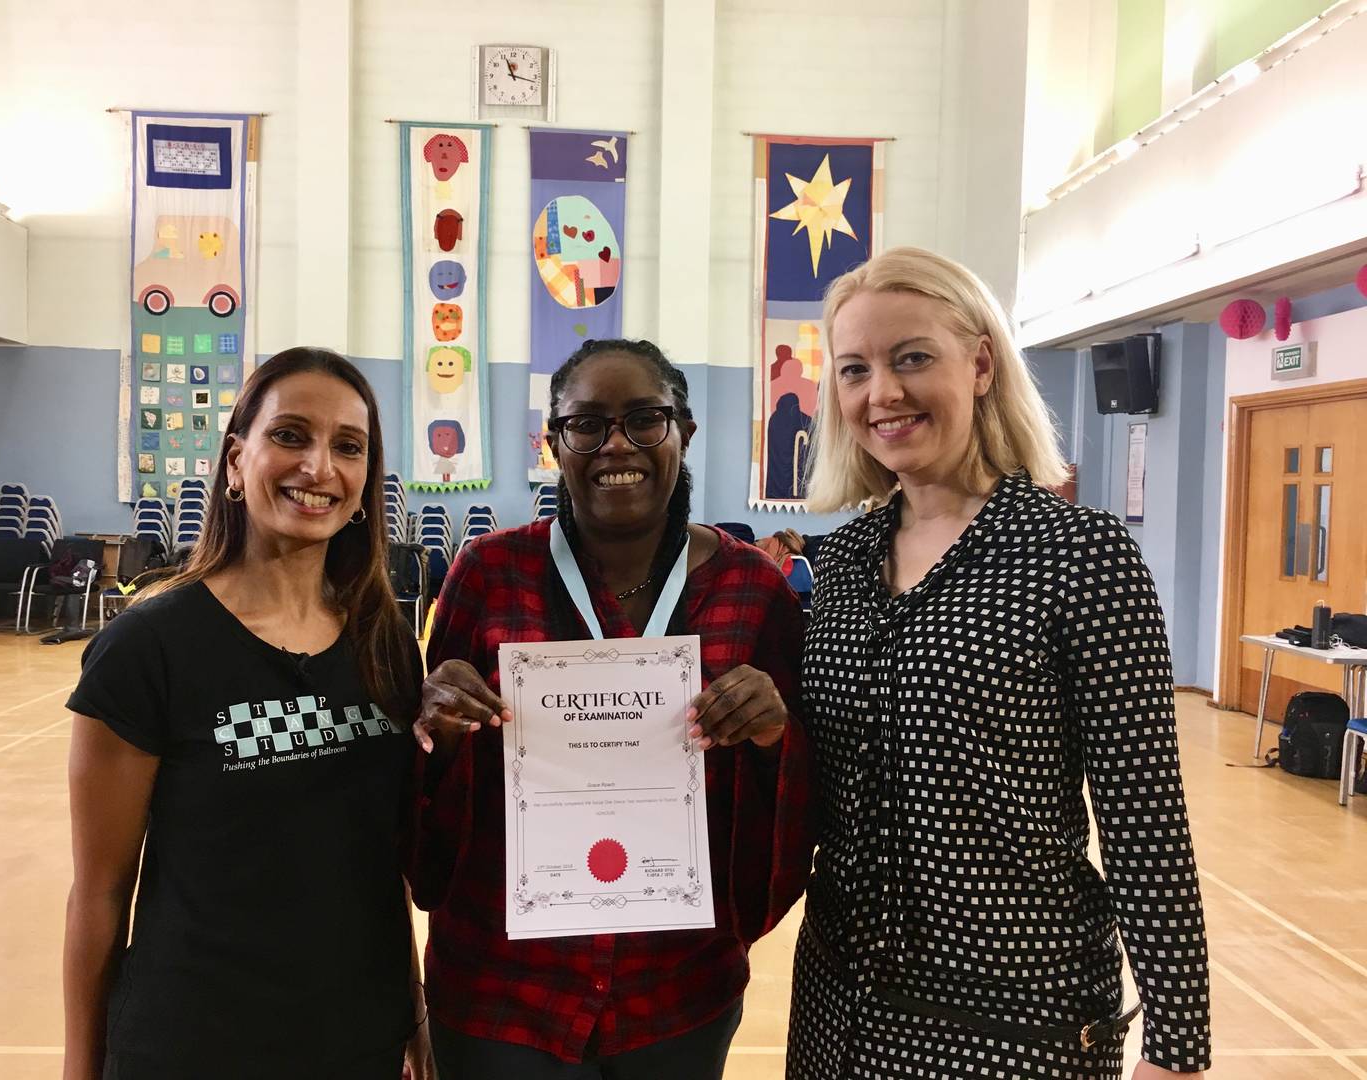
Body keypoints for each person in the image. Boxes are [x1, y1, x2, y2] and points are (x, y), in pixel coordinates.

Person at [788, 248, 1211, 1079]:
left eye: (912, 358)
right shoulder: (837, 565)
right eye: (854, 369)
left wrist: (1178, 1042)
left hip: (1016, 1013)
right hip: (842, 1005)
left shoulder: (1078, 555)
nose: (883, 393)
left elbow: (1144, 816)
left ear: (980, 363)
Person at [411, 338, 813, 1079]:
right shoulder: (487, 574)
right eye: (587, 424)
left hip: (676, 987)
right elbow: (424, 788)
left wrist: (771, 733)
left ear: (683, 433)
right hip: (505, 982)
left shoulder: (753, 591)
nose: (615, 445)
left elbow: (795, 795)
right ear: (554, 442)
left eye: (644, 420)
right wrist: (435, 722)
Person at [62, 348, 424, 1080]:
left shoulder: (384, 641)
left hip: (356, 1040)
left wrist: (412, 1010)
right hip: (194, 1043)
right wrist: (80, 1069)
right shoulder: (147, 647)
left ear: (365, 484)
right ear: (235, 461)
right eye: (290, 435)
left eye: (348, 447)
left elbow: (377, 870)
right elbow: (101, 892)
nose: (319, 467)